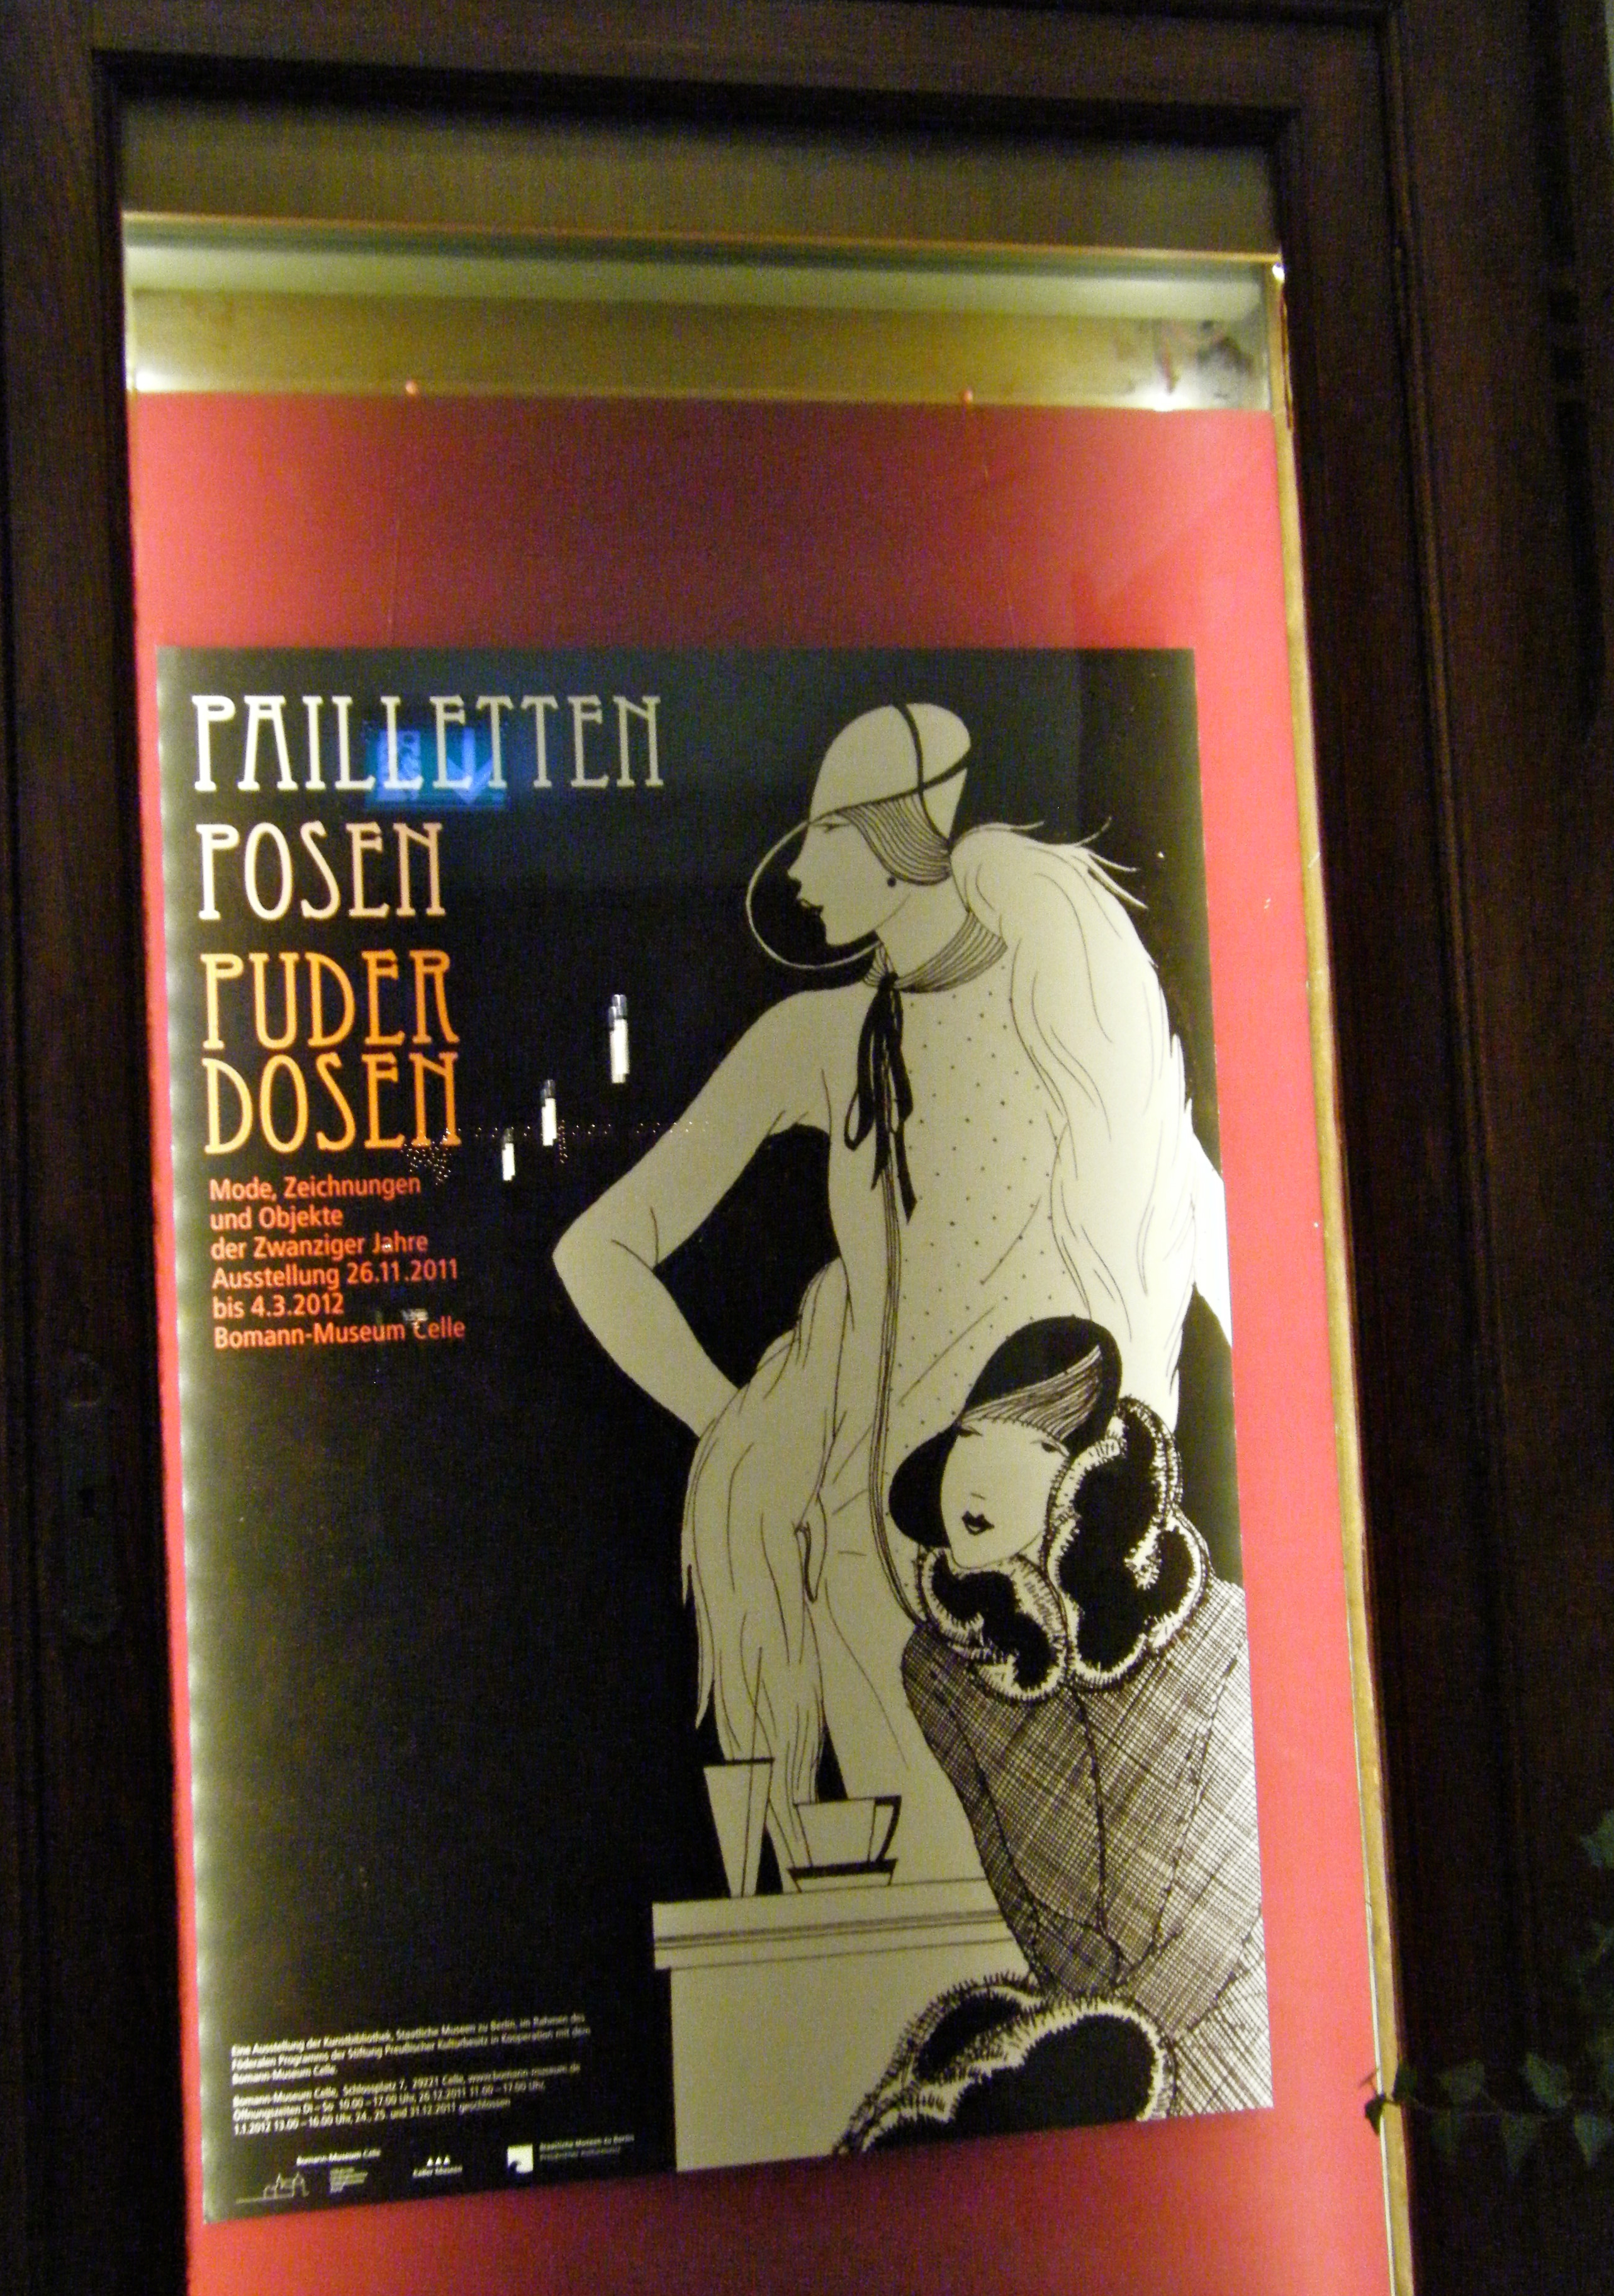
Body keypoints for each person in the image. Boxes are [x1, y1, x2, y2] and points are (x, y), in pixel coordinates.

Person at [553, 703, 1230, 1882]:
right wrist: (743, 1429)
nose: (801, 873)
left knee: (1099, 1910)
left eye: (827, 835)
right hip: (880, 1575)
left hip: (1076, 1562)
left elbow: (1209, 1236)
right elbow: (597, 1253)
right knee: (932, 1914)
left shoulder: (1074, 1008)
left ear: (896, 838)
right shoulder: (822, 1039)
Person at [837, 1315, 1267, 2146]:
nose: (973, 1475)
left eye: (1024, 1444)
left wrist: (1098, 2054)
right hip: (1088, 2057)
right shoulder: (943, 1674)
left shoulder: (1215, 1633)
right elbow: (1035, 1917)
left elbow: (1220, 1921)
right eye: (967, 1439)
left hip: (1227, 2053)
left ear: (1082, 1478)